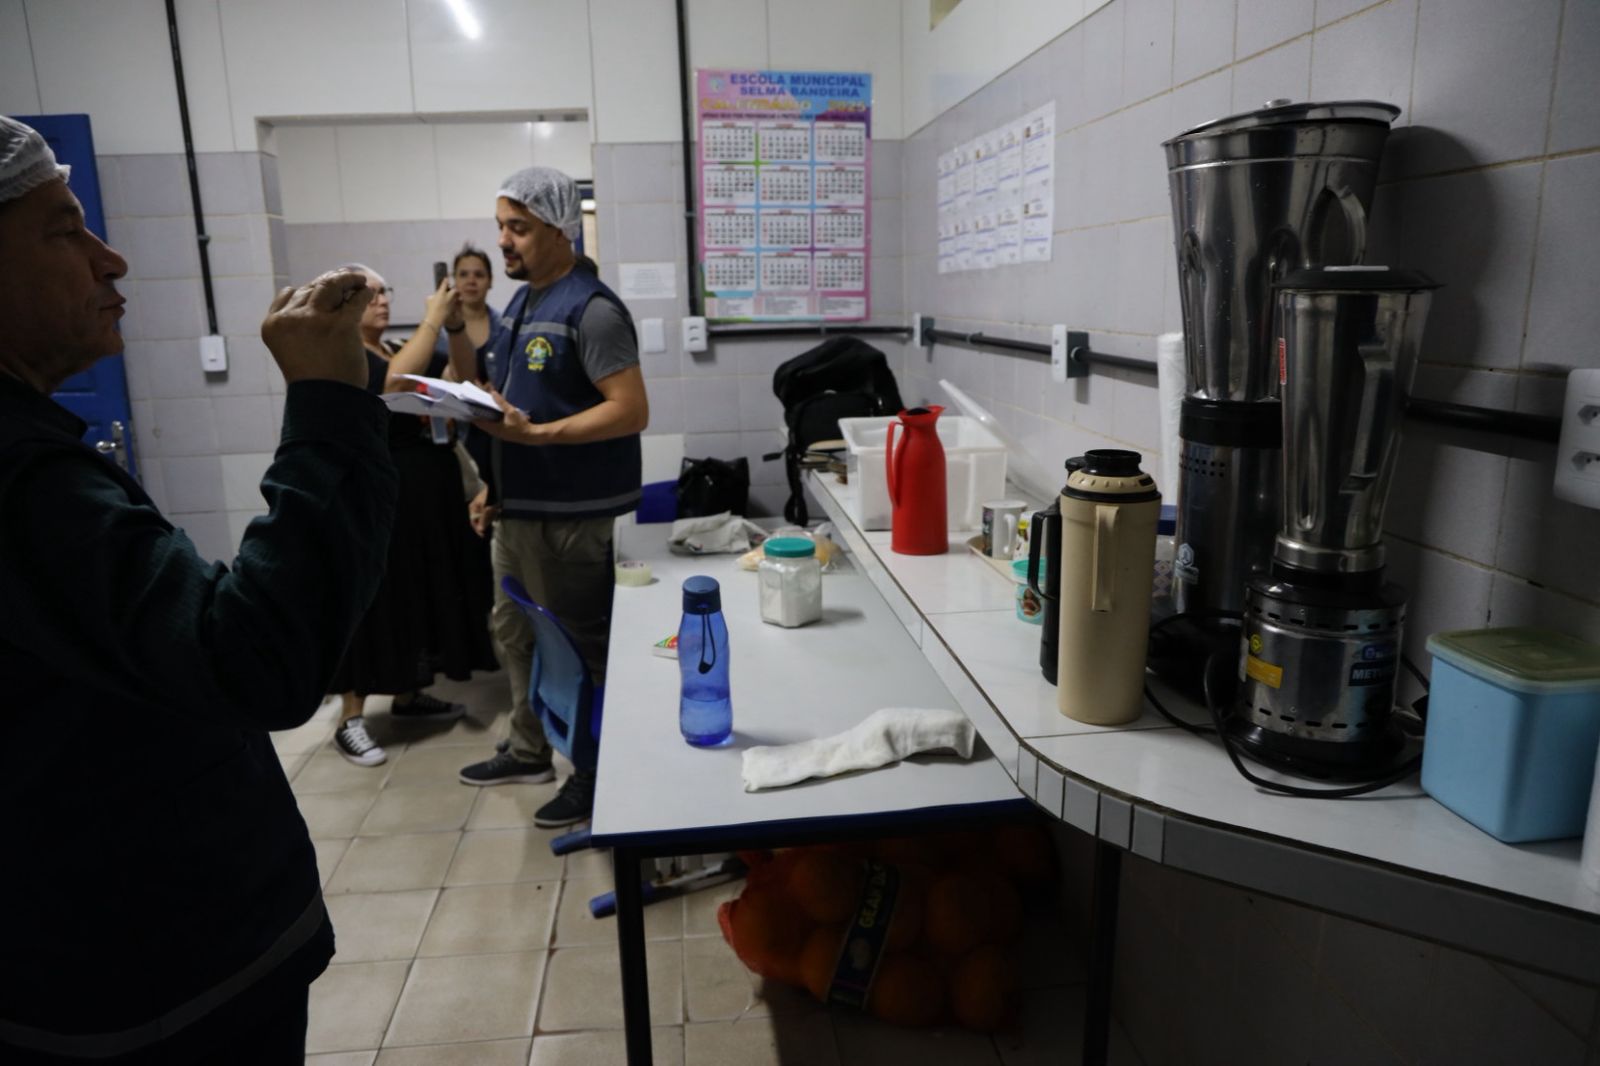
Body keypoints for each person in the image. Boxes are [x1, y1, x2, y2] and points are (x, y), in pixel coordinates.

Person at [0, 117, 396, 1063]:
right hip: (153, 995)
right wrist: (329, 405)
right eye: (64, 231)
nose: (111, 258)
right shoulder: (21, 481)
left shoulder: (36, 449)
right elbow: (256, 656)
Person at [452, 166, 649, 828]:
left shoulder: (591, 310)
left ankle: (596, 774)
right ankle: (529, 749)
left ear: (561, 230)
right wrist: (493, 485)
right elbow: (512, 403)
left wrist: (539, 436)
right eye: (501, 226)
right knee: (514, 633)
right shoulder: (523, 304)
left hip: (571, 517)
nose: (503, 241)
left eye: (519, 227)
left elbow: (630, 409)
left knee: (579, 650)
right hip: (519, 509)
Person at [326, 263, 498, 767]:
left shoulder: (396, 347)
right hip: (373, 501)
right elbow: (393, 384)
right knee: (376, 603)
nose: (382, 300)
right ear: (346, 303)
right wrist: (432, 320)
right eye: (371, 294)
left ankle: (408, 692)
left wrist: (454, 326)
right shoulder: (342, 355)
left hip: (420, 499)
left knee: (415, 595)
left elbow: (461, 375)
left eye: (386, 292)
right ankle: (351, 718)